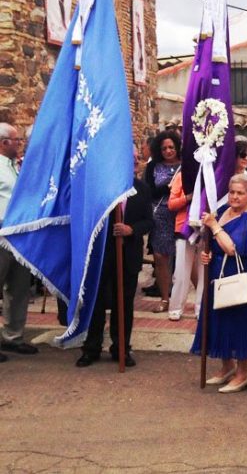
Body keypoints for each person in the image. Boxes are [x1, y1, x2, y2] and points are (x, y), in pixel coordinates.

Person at [191, 174, 247, 393]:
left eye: (240, 193)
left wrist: (214, 226)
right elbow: (215, 243)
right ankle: (227, 366)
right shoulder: (224, 211)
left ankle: (243, 373)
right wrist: (208, 256)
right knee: (220, 317)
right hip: (219, 273)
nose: (235, 197)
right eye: (232, 192)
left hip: (241, 274)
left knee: (239, 320)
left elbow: (234, 248)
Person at [76, 148, 153, 368]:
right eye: (131, 160)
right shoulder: (101, 188)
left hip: (127, 255)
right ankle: (91, 348)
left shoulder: (142, 189)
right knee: (96, 302)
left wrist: (131, 229)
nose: (136, 163)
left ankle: (121, 347)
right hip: (102, 255)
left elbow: (149, 221)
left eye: (137, 160)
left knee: (124, 303)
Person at [0, 123, 37, 362]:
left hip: (20, 237)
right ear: (4, 143)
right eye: (16, 140)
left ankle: (13, 336)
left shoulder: (17, 166)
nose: (20, 144)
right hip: (1, 234)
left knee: (19, 288)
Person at [144, 130, 181, 313]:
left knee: (185, 258)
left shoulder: (186, 166)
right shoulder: (153, 167)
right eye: (164, 148)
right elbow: (149, 192)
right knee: (160, 257)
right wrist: (168, 188)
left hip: (181, 214)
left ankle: (198, 300)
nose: (168, 151)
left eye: (171, 147)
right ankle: (165, 298)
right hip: (159, 215)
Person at [166, 170, 204, 321]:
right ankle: (175, 308)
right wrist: (189, 197)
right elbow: (172, 203)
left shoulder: (214, 173)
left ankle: (201, 308)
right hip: (184, 228)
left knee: (204, 272)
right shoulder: (182, 175)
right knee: (181, 272)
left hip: (207, 227)